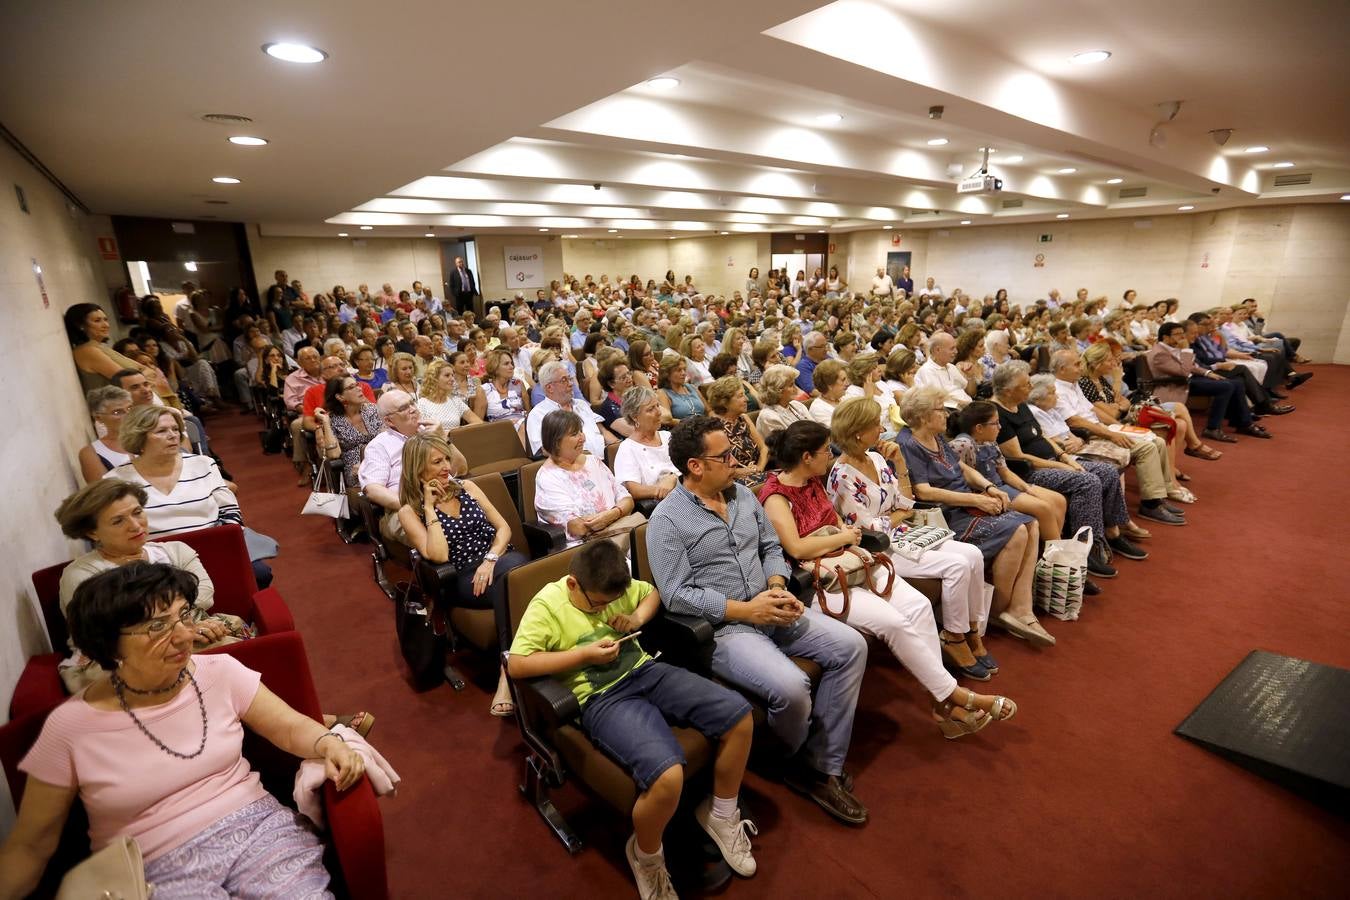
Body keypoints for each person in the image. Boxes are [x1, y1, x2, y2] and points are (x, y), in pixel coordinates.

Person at [0, 563, 366, 899]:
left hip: (258, 832)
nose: (183, 636)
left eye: (183, 616)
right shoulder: (69, 728)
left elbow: (286, 726)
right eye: (158, 626)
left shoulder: (218, 671)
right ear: (110, 644)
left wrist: (325, 741)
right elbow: (31, 845)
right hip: (151, 867)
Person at [647, 417, 870, 826]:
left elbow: (770, 546)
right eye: (725, 456)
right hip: (726, 629)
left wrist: (777, 583)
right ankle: (785, 757)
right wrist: (746, 610)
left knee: (852, 646)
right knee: (793, 687)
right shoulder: (667, 520)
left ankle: (820, 766)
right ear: (695, 465)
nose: (737, 461)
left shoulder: (744, 498)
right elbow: (676, 594)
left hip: (772, 604)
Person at [507, 540, 758, 897]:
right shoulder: (548, 604)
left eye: (613, 602)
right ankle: (646, 856)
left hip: (645, 671)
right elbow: (517, 664)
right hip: (601, 697)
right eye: (599, 603)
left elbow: (651, 592)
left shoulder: (613, 584)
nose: (606, 608)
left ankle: (721, 814)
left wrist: (637, 618)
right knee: (668, 776)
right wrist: (582, 656)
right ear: (574, 584)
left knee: (739, 716)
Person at [761, 421, 1015, 736]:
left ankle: (942, 704)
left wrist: (842, 534)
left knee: (920, 606)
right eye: (826, 450)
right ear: (806, 456)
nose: (831, 455)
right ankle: (954, 697)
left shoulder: (812, 481)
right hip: (820, 580)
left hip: (850, 561)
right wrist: (842, 536)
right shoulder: (775, 495)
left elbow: (835, 521)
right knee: (895, 623)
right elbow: (796, 546)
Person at [826, 397, 998, 678]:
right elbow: (872, 529)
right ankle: (954, 638)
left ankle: (971, 630)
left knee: (973, 555)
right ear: (858, 431)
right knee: (956, 566)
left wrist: (900, 463)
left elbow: (906, 500)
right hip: (881, 548)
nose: (882, 430)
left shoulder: (878, 457)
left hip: (905, 532)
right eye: (875, 425)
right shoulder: (842, 475)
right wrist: (899, 515)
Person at [52, 478, 245, 693]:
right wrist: (180, 625)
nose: (135, 525)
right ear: (92, 532)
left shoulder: (175, 551)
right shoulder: (82, 574)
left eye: (137, 512)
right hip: (114, 657)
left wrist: (181, 627)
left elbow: (204, 596)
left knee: (236, 651)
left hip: (188, 632)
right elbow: (106, 629)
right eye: (118, 521)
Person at [896, 387, 1051, 646]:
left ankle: (1020, 606)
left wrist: (988, 488)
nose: (946, 413)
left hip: (966, 502)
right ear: (923, 416)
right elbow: (923, 491)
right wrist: (976, 498)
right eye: (939, 408)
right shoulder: (908, 443)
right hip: (944, 514)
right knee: (1018, 529)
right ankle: (996, 610)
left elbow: (962, 468)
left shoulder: (937, 437)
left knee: (1032, 523)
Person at [398, 433, 528, 717]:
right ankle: (510, 674)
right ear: (418, 470)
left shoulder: (466, 486)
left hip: (498, 561)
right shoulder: (410, 512)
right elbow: (439, 555)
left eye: (446, 458)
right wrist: (430, 507)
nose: (447, 465)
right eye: (437, 461)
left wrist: (491, 559)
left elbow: (503, 528)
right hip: (461, 578)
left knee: (513, 574)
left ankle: (508, 671)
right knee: (517, 581)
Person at [991, 363, 1150, 568]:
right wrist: (1062, 467)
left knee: (1108, 471)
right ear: (1008, 390)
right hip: (1031, 472)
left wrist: (1064, 457)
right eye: (1025, 385)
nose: (1030, 388)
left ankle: (1112, 532)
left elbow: (1043, 436)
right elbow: (1020, 457)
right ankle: (1086, 547)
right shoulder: (997, 413)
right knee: (1088, 481)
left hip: (1053, 461)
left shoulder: (1020, 404)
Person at [106, 405, 273, 588]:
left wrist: (222, 543)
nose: (173, 435)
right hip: (157, 558)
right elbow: (117, 532)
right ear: (138, 437)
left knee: (260, 574)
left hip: (213, 547)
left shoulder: (203, 464)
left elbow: (230, 511)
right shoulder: (117, 480)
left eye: (175, 429)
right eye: (161, 431)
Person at [1048, 350, 1186, 526]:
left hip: (1101, 429)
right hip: (1088, 435)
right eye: (1076, 364)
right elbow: (1075, 421)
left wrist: (1118, 426)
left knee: (1157, 441)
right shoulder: (1057, 389)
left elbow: (1093, 410)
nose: (1081, 367)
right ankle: (1150, 504)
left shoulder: (1073, 384)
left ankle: (1161, 494)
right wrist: (1112, 434)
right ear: (1062, 368)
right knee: (1147, 447)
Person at [1078, 343, 1195, 505]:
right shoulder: (1085, 383)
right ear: (1096, 363)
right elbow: (1111, 412)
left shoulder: (1100, 379)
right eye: (1110, 361)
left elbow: (1123, 402)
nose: (1114, 364)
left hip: (1123, 416)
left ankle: (1170, 473)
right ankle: (1170, 479)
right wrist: (1118, 390)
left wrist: (1118, 405)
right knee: (1166, 425)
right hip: (1115, 422)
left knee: (1180, 424)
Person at [358, 390, 468, 546]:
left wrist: (443, 437)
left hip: (447, 496)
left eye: (412, 403)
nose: (413, 409)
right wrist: (419, 505)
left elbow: (461, 470)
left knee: (484, 520)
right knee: (449, 535)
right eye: (404, 408)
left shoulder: (431, 433)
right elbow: (373, 489)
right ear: (389, 421)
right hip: (407, 508)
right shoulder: (380, 445)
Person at [533, 410, 639, 548]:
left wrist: (611, 514)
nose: (582, 438)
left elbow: (627, 499)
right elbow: (578, 527)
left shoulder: (593, 461)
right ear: (556, 442)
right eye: (574, 434)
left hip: (622, 531)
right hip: (587, 548)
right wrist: (616, 512)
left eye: (581, 431)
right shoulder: (548, 478)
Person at [314, 375, 384, 506]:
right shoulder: (334, 420)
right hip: (355, 472)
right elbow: (333, 454)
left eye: (357, 384)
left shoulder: (372, 410)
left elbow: (386, 439)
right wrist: (326, 422)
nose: (359, 388)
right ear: (340, 397)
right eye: (352, 387)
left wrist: (368, 463)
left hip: (380, 461)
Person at [526, 361, 615, 458]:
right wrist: (581, 458)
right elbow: (546, 450)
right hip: (572, 467)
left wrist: (618, 447)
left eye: (569, 379)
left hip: (604, 460)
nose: (571, 384)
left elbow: (603, 431)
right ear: (550, 388)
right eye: (564, 380)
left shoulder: (581, 404)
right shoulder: (538, 414)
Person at [64, 303, 152, 394]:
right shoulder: (87, 351)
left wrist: (144, 374)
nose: (105, 325)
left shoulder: (101, 347)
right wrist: (145, 376)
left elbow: (145, 369)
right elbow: (129, 380)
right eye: (97, 321)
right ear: (80, 325)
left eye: (106, 320)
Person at [613, 386, 680, 503]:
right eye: (650, 409)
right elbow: (634, 490)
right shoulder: (627, 448)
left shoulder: (668, 436)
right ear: (634, 417)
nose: (659, 412)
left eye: (658, 406)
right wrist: (662, 489)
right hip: (661, 503)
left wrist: (673, 479)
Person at [706, 376, 769, 491]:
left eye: (744, 394)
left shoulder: (743, 418)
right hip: (733, 481)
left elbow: (764, 448)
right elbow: (715, 467)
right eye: (740, 396)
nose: (747, 399)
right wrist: (741, 472)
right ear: (724, 402)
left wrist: (759, 468)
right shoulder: (713, 427)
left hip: (758, 472)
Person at [78, 386, 134, 483]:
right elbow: (103, 493)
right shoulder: (92, 453)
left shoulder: (152, 437)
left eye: (130, 408)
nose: (128, 415)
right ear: (98, 418)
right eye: (117, 412)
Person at [417, 358, 483, 431]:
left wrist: (455, 431)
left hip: (455, 441)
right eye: (447, 375)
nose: (452, 379)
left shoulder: (456, 401)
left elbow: (479, 422)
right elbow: (420, 432)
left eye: (452, 375)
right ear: (434, 378)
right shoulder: (422, 404)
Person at [912, 333, 973, 408]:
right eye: (952, 348)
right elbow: (938, 401)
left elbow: (971, 392)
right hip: (953, 411)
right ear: (937, 350)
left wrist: (970, 377)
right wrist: (964, 405)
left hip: (968, 406)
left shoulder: (951, 367)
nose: (956, 351)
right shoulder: (927, 371)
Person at [755, 363, 813, 438]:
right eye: (791, 385)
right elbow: (787, 446)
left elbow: (817, 428)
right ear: (778, 390)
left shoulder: (797, 405)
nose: (796, 389)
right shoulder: (768, 417)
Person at [481, 347, 530, 431]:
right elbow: (478, 421)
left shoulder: (518, 384)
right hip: (499, 431)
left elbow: (529, 412)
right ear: (495, 368)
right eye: (506, 364)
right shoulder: (484, 390)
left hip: (524, 425)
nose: (511, 367)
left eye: (511, 363)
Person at [654, 355, 706, 425]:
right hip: (683, 430)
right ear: (667, 374)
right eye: (679, 370)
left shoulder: (692, 387)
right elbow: (668, 420)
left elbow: (709, 410)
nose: (683, 373)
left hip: (704, 426)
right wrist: (692, 424)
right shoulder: (662, 393)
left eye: (684, 369)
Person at [807, 360, 850, 428]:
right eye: (843, 380)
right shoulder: (818, 409)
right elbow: (839, 433)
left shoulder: (844, 398)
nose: (848, 383)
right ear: (830, 384)